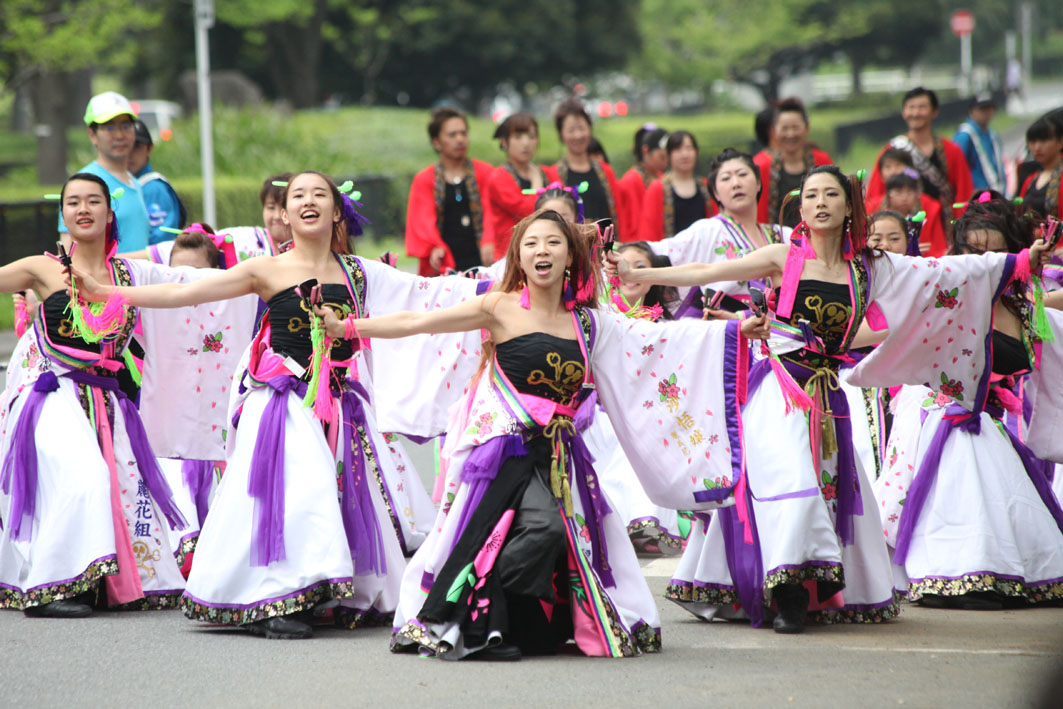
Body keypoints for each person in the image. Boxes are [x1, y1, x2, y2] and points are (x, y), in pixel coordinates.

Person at [618, 165, 1052, 633]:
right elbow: (708, 271)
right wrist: (642, 270)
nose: (821, 202)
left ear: (849, 208)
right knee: (794, 487)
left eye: (832, 194)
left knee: (823, 493)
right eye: (811, 195)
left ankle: (803, 588)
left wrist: (1022, 262)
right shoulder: (783, 256)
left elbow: (943, 272)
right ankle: (787, 596)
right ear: (800, 208)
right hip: (780, 390)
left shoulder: (870, 267)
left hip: (828, 397)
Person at [329, 208, 769, 659]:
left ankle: (508, 623)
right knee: (519, 532)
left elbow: (656, 343)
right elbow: (417, 322)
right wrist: (348, 327)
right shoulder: (497, 306)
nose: (542, 250)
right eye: (532, 243)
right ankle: (482, 619)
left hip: (561, 455)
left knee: (557, 536)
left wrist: (734, 330)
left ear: (569, 257)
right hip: (503, 450)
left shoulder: (590, 322)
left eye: (553, 242)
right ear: (518, 256)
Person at [71, 170, 484, 638]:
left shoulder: (359, 273)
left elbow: (424, 297)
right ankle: (274, 598)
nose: (308, 201)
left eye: (319, 194)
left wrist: (497, 288)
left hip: (338, 405)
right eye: (298, 196)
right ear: (284, 216)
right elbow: (184, 290)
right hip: (281, 402)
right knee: (303, 490)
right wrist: (108, 292)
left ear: (336, 211)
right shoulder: (266, 269)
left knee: (330, 494)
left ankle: (314, 589)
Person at [0, 173, 195, 617]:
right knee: (83, 477)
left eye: (93, 201)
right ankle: (52, 587)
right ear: (63, 213)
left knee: (119, 490)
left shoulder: (130, 272)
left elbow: (182, 286)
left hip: (108, 403)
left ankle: (97, 582)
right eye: (73, 202)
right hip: (52, 395)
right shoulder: (42, 268)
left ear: (110, 213)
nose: (83, 209)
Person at [873, 197, 1063, 609]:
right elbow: (886, 333)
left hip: (993, 421)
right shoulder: (943, 300)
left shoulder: (1025, 308)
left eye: (996, 252)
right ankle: (955, 574)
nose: (986, 261)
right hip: (943, 415)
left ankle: (994, 573)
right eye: (974, 253)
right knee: (965, 464)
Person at [647, 148, 789, 309]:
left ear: (758, 183)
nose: (736, 184)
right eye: (726, 178)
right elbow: (659, 251)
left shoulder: (783, 234)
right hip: (729, 328)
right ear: (716, 193)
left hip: (783, 329)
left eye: (742, 174)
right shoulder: (707, 230)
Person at [406, 106, 495, 275]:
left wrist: (490, 240)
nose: (460, 139)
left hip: (483, 260)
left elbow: (494, 214)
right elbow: (422, 222)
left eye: (464, 133)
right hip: (444, 264)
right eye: (452, 135)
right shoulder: (425, 179)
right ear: (436, 142)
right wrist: (434, 246)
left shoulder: (486, 172)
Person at [59, 92, 151, 251]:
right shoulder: (84, 184)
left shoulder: (133, 181)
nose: (120, 135)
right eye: (109, 127)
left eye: (126, 126)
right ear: (92, 134)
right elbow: (69, 253)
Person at [866, 87, 974, 218]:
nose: (916, 113)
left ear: (934, 111)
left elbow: (964, 192)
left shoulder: (951, 151)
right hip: (902, 225)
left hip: (943, 224)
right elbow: (875, 195)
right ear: (904, 112)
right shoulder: (891, 150)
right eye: (911, 107)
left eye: (922, 107)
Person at [546, 99, 624, 237]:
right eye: (571, 130)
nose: (578, 135)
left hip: (607, 248)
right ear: (561, 135)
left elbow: (619, 212)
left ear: (590, 129)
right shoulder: (553, 174)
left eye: (582, 128)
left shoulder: (605, 171)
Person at [752, 97, 832, 226]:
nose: (790, 134)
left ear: (806, 128)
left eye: (796, 128)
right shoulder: (761, 165)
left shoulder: (821, 160)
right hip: (776, 241)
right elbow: (758, 213)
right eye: (784, 128)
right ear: (774, 131)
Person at [485, 113, 549, 261]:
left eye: (532, 136)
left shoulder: (546, 173)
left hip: (542, 253)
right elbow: (526, 211)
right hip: (510, 256)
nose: (526, 143)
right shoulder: (499, 177)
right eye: (518, 137)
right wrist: (536, 181)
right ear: (504, 142)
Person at [638, 131, 716, 241]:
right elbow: (648, 231)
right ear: (668, 155)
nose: (685, 154)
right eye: (678, 149)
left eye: (689, 148)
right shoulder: (657, 188)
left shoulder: (706, 187)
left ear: (696, 152)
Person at [866, 149, 947, 256]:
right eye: (888, 167)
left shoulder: (931, 207)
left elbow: (939, 247)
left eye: (898, 165)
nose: (894, 171)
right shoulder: (871, 207)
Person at [129, 120, 186, 244]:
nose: (130, 153)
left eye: (137, 146)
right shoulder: (125, 183)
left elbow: (161, 239)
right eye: (127, 146)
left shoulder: (154, 187)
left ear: (149, 149)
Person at [618, 125, 669, 243]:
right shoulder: (632, 180)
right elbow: (634, 224)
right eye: (662, 157)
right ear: (646, 151)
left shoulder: (661, 177)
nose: (667, 160)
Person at [953, 93, 1006, 194]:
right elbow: (956, 167)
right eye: (982, 109)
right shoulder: (965, 135)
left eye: (989, 109)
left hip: (995, 193)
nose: (986, 113)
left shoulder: (992, 135)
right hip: (976, 197)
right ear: (971, 112)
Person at [1018, 116, 1063, 220]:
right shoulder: (1030, 180)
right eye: (1032, 142)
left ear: (1060, 142)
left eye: (1044, 140)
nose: (1037, 147)